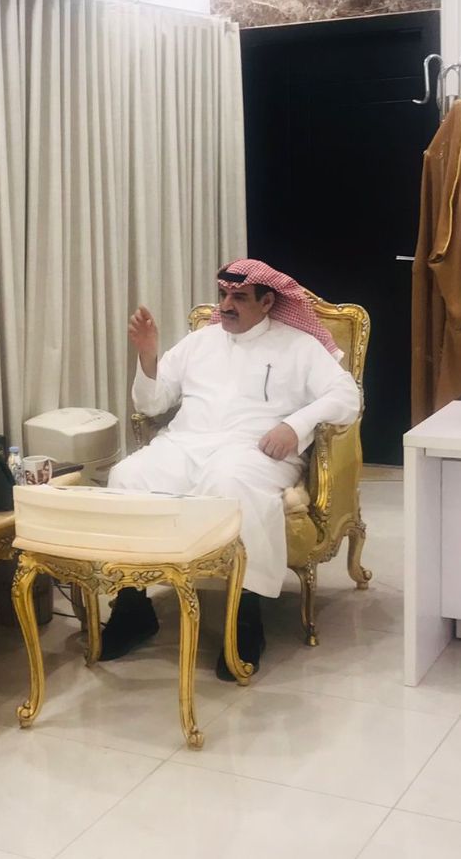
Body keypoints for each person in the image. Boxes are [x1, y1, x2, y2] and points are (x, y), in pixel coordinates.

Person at [105, 259, 361, 678]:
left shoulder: (299, 345)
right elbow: (152, 403)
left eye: (239, 297)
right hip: (186, 445)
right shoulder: (199, 342)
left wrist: (295, 426)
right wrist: (148, 356)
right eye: (223, 294)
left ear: (267, 302)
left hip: (255, 452)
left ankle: (244, 618)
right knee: (126, 477)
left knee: (230, 484)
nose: (225, 305)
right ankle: (133, 607)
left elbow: (347, 396)